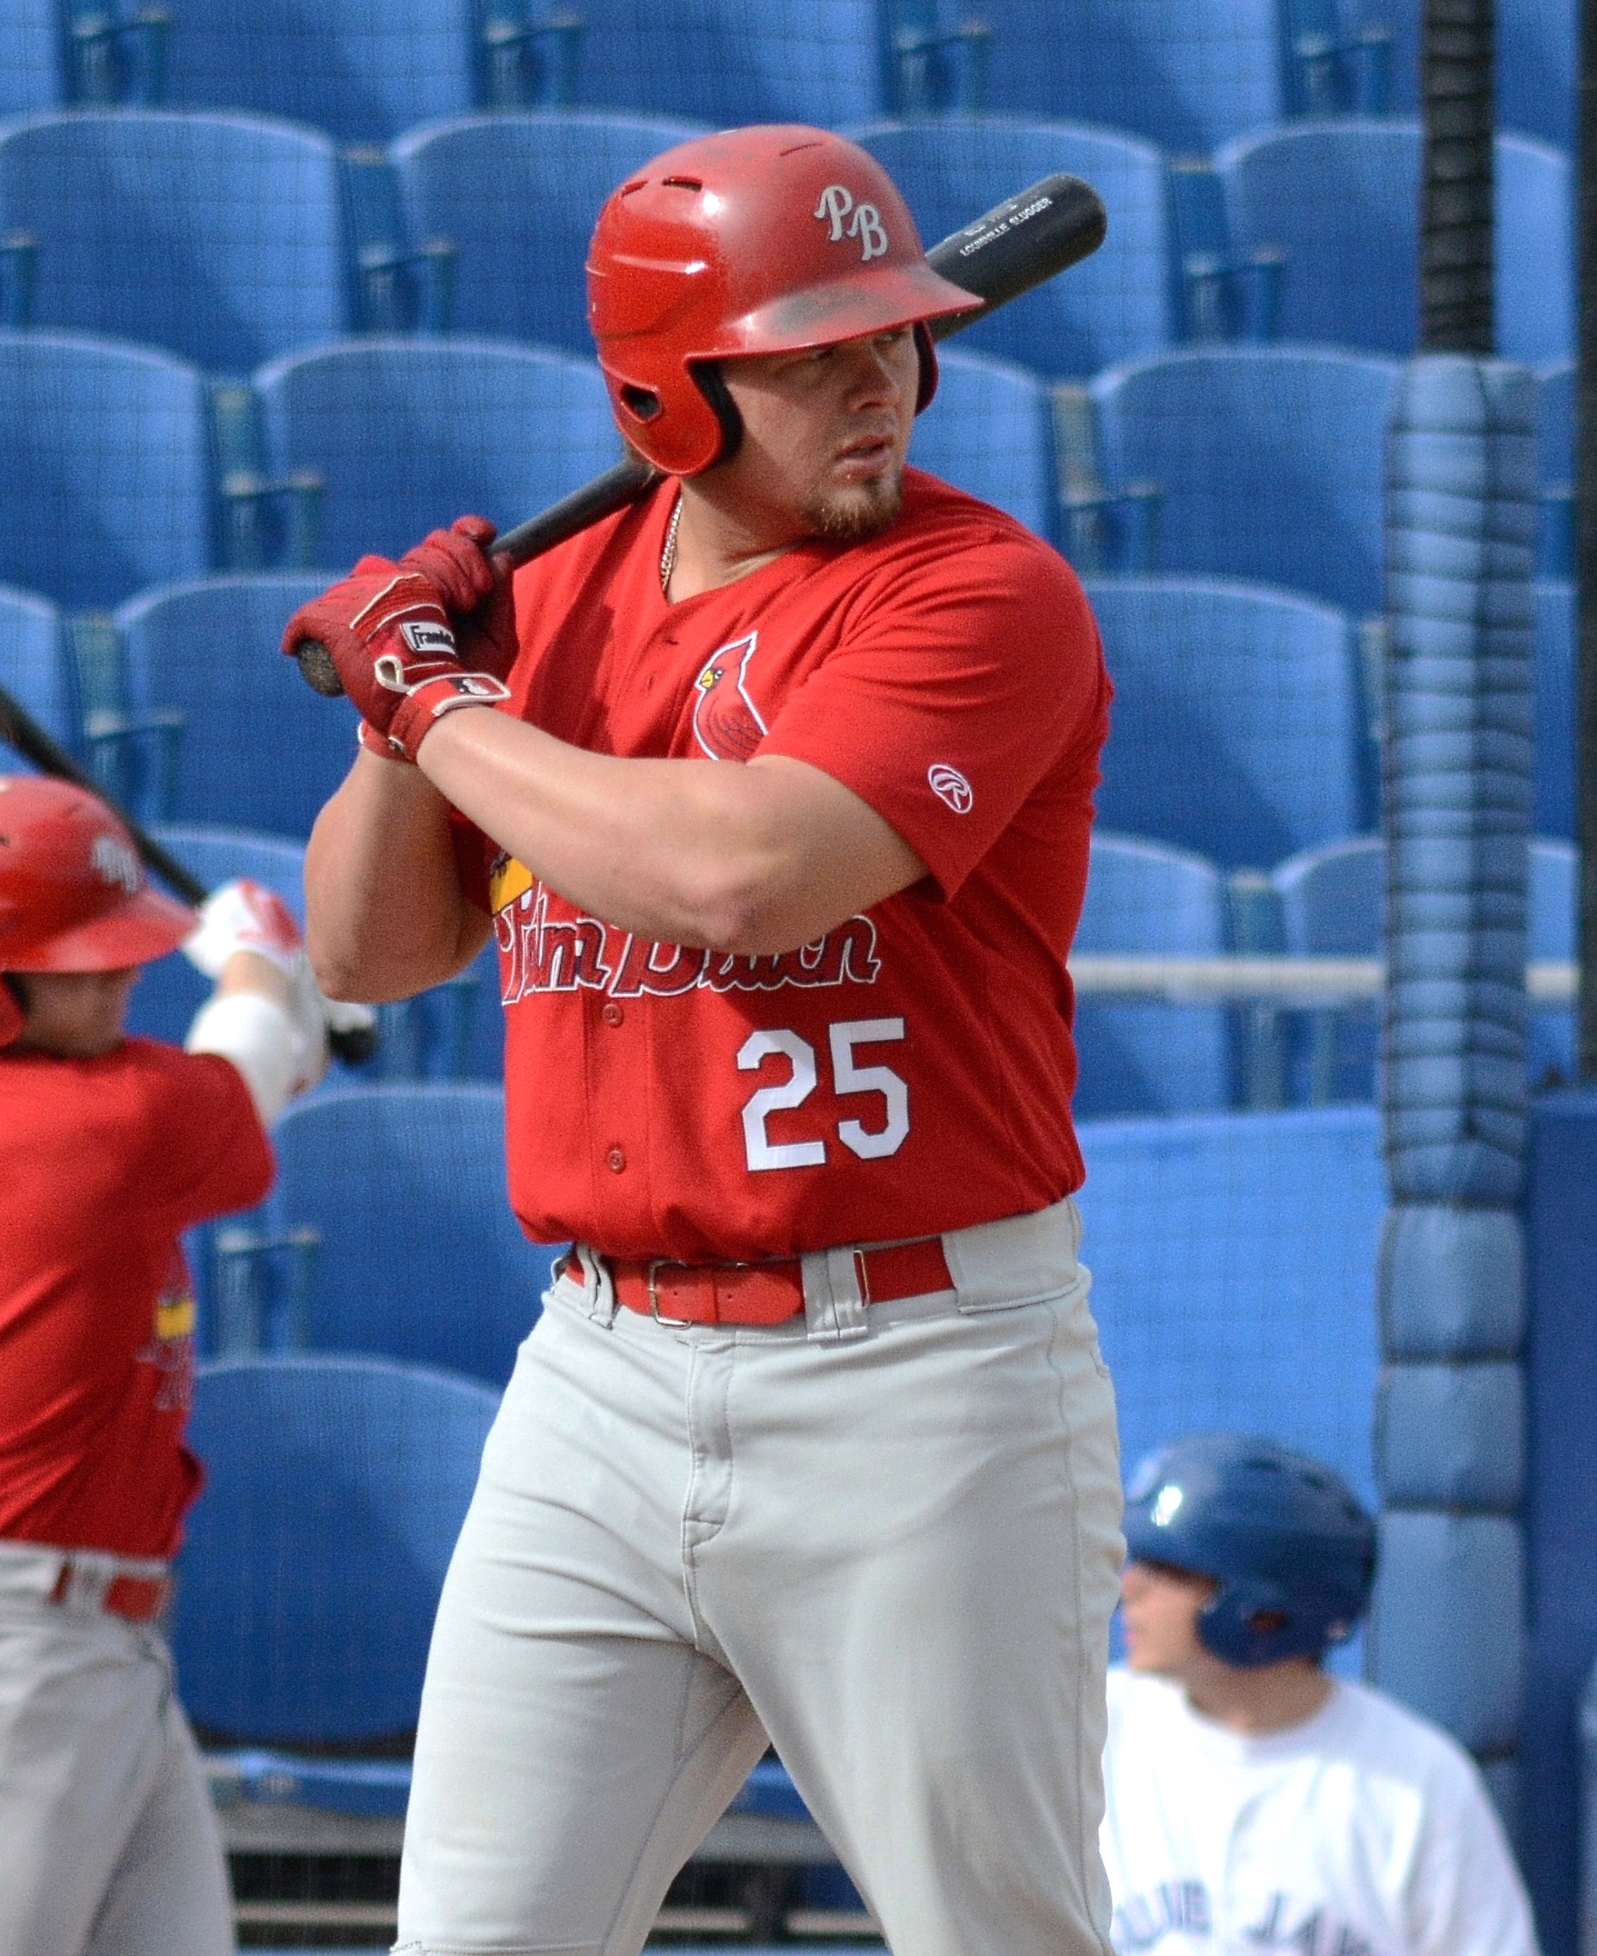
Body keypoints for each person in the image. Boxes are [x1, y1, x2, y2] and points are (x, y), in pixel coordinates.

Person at [290, 124, 1123, 1956]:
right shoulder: (551, 613)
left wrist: (435, 698)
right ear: (671, 403)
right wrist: (390, 717)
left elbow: (744, 881)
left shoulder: (981, 595)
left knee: (1002, 1936)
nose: (880, 384)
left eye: (895, 337)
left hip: (917, 1377)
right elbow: (372, 949)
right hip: (599, 1367)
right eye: (810, 354)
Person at [0, 774, 329, 1956]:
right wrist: (258, 963)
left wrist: (279, 1015)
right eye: (79, 960)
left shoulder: (100, 1108)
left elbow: (245, 1092)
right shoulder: (95, 1124)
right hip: (29, 1650)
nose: (122, 971)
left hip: (101, 1647)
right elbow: (244, 1087)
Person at [1101, 1432, 1539, 1956]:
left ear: (1263, 1611)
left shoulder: (1416, 1785)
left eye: (1169, 1571)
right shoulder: (1089, 1735)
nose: (1129, 1587)